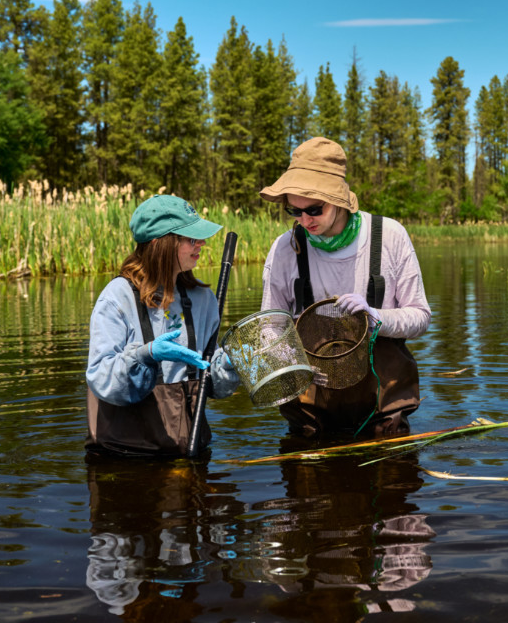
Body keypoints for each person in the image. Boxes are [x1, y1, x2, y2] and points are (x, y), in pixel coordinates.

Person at [259, 137, 431, 438]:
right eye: (294, 212)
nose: (304, 220)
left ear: (338, 199)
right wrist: (295, 366)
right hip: (310, 414)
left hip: (382, 410)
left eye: (314, 209)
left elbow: (420, 317)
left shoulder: (389, 237)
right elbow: (269, 329)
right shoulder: (285, 250)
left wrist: (376, 318)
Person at [86, 194, 241, 457]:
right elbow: (101, 378)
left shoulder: (204, 300)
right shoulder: (116, 297)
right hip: (124, 455)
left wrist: (228, 364)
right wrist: (144, 356)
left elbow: (212, 384)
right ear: (161, 244)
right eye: (191, 238)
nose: (202, 243)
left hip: (190, 450)